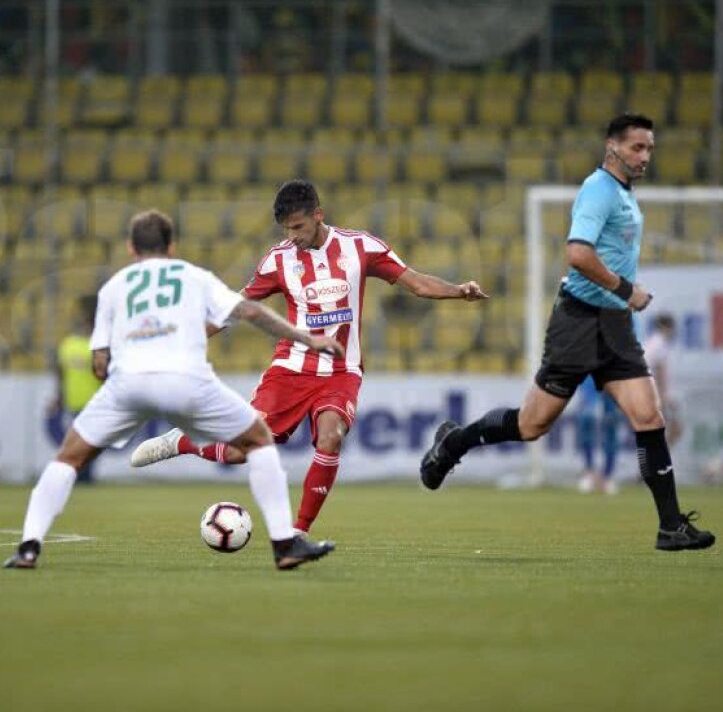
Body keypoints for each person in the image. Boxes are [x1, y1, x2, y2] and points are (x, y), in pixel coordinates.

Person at [419, 114, 715, 552]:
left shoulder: (623, 194)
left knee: (649, 417)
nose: (645, 156)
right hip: (579, 322)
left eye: (649, 148)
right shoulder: (598, 189)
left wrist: (622, 299)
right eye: (637, 147)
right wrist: (627, 289)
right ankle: (453, 443)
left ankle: (670, 526)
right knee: (531, 425)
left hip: (615, 325)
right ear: (612, 147)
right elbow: (578, 254)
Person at [130, 179, 486, 535]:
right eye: (287, 229)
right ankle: (182, 442)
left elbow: (417, 283)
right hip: (291, 369)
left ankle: (298, 533)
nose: (293, 236)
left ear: (318, 215)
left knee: (331, 437)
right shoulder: (278, 260)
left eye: (298, 227)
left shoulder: (360, 247)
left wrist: (458, 291)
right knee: (240, 452)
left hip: (342, 370)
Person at [3, 209, 345, 571]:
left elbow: (100, 362)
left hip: (128, 382)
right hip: (186, 380)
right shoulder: (194, 276)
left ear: (131, 248)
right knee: (259, 440)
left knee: (68, 457)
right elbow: (249, 312)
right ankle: (284, 544)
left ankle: (28, 548)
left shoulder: (114, 287)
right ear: (172, 246)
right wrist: (307, 338)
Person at [50, 318, 103, 483]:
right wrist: (59, 396)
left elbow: (59, 373)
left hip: (87, 400)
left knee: (85, 440)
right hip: (81, 400)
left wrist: (59, 395)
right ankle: (82, 475)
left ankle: (81, 474)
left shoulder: (73, 345)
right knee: (86, 441)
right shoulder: (89, 346)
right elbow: (60, 372)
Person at [575, 376, 621, 494]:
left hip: (613, 373)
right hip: (589, 372)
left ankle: (607, 476)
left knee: (611, 423)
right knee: (587, 419)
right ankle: (589, 473)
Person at [643, 313, 681, 446]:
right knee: (675, 429)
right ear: (666, 328)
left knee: (664, 432)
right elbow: (660, 375)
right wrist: (665, 399)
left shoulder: (652, 343)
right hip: (654, 395)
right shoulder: (660, 344)